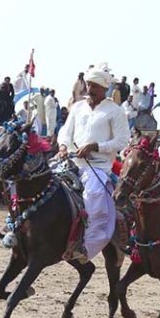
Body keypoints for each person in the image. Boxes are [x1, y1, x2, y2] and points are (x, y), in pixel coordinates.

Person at [57, 63, 130, 262]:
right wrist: (63, 146)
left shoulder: (115, 111)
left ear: (105, 88)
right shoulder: (78, 107)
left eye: (95, 86)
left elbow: (123, 141)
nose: (90, 90)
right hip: (70, 161)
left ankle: (85, 246)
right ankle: (16, 227)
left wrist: (95, 146)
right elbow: (65, 131)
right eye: (89, 85)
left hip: (98, 166)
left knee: (95, 197)